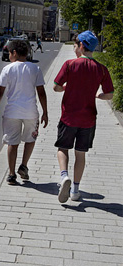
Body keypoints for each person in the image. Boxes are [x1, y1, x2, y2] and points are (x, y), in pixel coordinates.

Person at [53, 30, 114, 203]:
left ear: (81, 46)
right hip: (88, 119)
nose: (74, 47)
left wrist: (65, 88)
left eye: (75, 44)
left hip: (68, 117)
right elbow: (109, 94)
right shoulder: (102, 69)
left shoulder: (70, 65)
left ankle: (64, 176)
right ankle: (75, 190)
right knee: (81, 154)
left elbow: (56, 86)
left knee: (63, 148)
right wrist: (99, 96)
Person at [0, 39, 48, 185]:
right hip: (31, 112)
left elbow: (0, 91)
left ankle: (11, 174)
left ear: (14, 53)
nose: (9, 55)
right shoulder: (35, 69)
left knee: (12, 142)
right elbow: (41, 92)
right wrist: (45, 112)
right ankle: (23, 166)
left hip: (12, 112)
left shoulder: (7, 69)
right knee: (30, 139)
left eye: (9, 52)